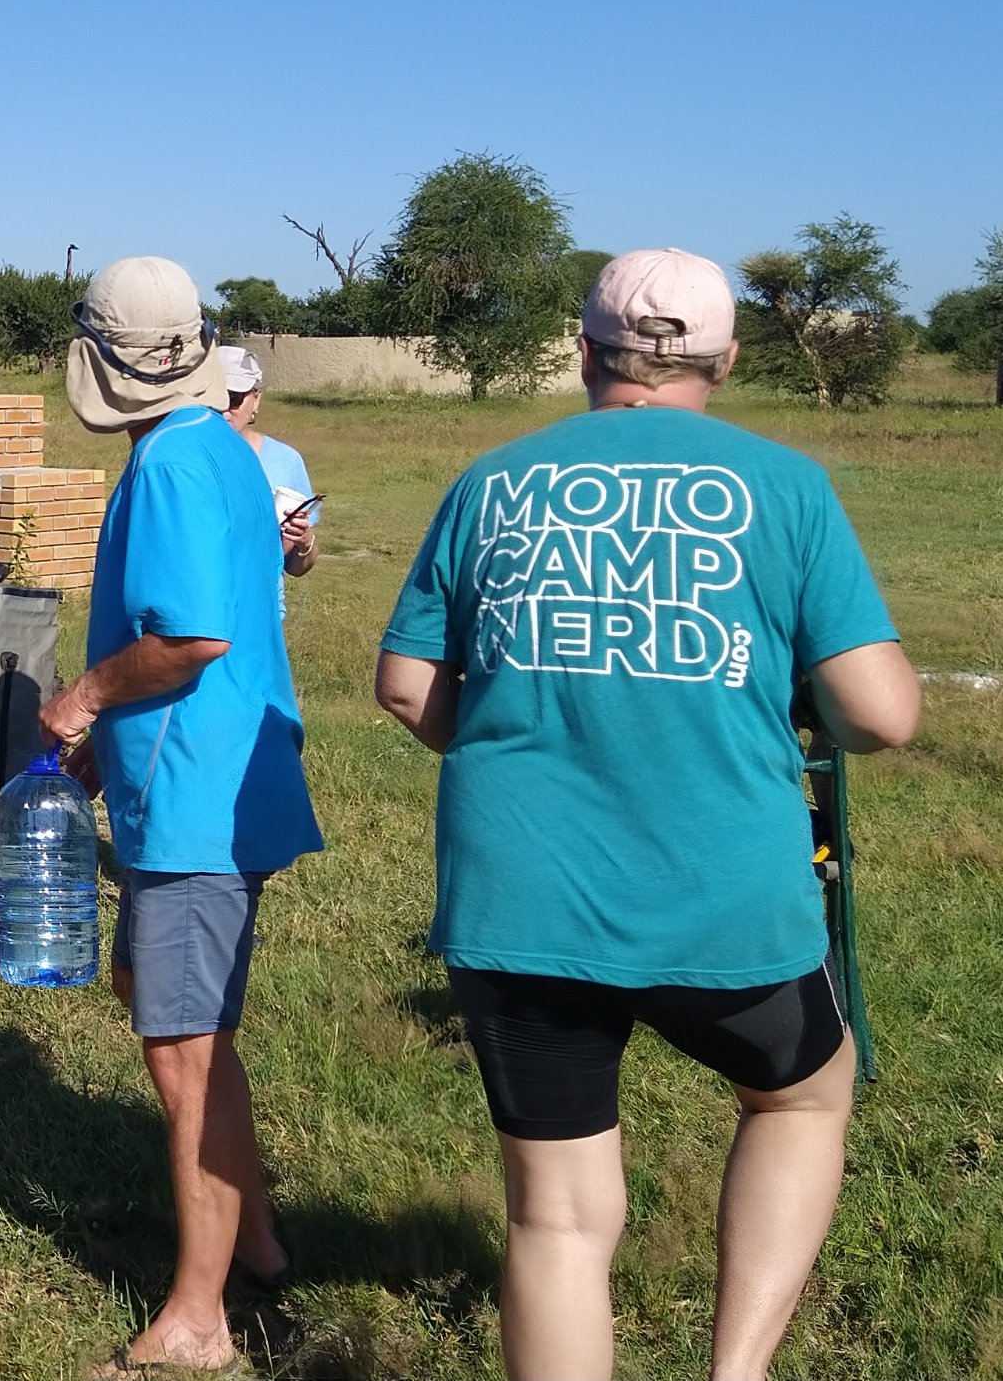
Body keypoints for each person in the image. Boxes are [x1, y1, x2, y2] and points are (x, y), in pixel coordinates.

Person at [372, 248, 921, 1381]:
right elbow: (882, 713)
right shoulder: (786, 486)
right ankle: (737, 1371)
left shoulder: (493, 480)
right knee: (801, 1098)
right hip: (726, 894)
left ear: (584, 352)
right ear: (727, 360)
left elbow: (408, 687)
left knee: (557, 1218)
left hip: (520, 892)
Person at [37, 258, 321, 1376]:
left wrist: (84, 697)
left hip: (197, 792)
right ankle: (257, 1240)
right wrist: (108, 740)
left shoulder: (167, 461)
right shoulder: (219, 446)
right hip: (206, 775)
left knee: (184, 1053)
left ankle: (199, 1321)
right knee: (168, 1008)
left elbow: (192, 635)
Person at [217, 345, 317, 579]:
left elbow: (295, 567)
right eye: (213, 399)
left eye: (233, 399)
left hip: (262, 600)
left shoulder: (286, 461)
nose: (223, 411)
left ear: (256, 399)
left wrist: (303, 541)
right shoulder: (180, 460)